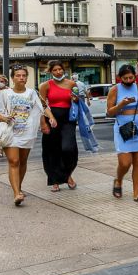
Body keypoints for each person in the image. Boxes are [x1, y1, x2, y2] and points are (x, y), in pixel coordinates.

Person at [0, 64, 47, 206]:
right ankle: (16, 193)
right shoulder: (4, 94)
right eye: (18, 75)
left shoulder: (32, 93)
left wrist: (46, 121)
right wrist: (4, 118)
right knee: (14, 161)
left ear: (27, 77)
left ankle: (18, 187)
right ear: (12, 78)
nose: (21, 78)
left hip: (27, 132)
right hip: (10, 132)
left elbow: (42, 108)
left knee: (23, 161)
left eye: (24, 75)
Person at [106, 63, 138, 203]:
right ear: (119, 78)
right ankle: (118, 180)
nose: (129, 80)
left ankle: (136, 194)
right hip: (122, 125)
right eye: (125, 78)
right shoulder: (114, 90)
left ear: (135, 76)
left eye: (131, 77)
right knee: (125, 163)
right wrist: (121, 104)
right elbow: (109, 112)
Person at [38, 59, 79, 192]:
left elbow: (78, 101)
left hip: (68, 119)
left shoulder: (72, 84)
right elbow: (42, 105)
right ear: (50, 72)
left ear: (64, 70)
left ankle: (67, 175)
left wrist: (76, 98)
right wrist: (47, 119)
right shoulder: (45, 85)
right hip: (52, 119)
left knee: (69, 149)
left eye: (60, 69)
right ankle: (54, 180)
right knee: (52, 151)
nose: (58, 72)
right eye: (54, 70)